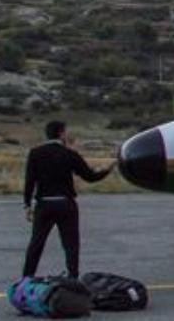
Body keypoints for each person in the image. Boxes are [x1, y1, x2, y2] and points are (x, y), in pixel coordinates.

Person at [21, 120, 115, 280]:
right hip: (66, 204)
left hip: (44, 203)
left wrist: (27, 204)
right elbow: (90, 177)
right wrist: (107, 169)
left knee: (36, 243)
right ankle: (73, 277)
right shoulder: (70, 154)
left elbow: (30, 181)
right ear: (62, 133)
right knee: (70, 244)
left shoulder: (35, 153)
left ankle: (26, 277)